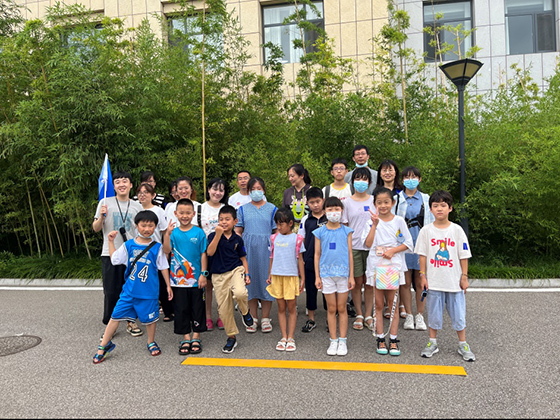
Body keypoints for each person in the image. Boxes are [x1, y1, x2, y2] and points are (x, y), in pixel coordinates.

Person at [93, 211, 173, 364]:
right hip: (129, 291)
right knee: (115, 317)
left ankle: (151, 342)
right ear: (136, 226)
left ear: (155, 227)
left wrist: (168, 286)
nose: (147, 229)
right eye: (143, 225)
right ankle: (103, 346)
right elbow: (114, 259)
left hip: (149, 292)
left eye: (151, 226)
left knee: (150, 320)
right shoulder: (128, 245)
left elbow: (163, 267)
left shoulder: (157, 247)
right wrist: (110, 241)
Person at [415, 190, 475, 362]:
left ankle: (463, 343)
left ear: (450, 208)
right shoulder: (426, 231)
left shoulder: (457, 230)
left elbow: (463, 255)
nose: (439, 209)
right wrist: (422, 276)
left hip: (454, 282)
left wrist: (464, 276)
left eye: (443, 205)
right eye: (435, 206)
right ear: (430, 209)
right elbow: (422, 255)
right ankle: (432, 342)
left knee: (459, 315)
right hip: (434, 282)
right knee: (433, 314)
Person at [93, 170, 144, 338]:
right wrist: (101, 217)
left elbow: (141, 230)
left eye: (125, 181)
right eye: (117, 182)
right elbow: (96, 228)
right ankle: (110, 325)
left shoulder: (137, 206)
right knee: (111, 291)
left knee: (131, 289)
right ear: (113, 186)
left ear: (131, 185)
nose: (121, 184)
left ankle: (130, 321)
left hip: (131, 254)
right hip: (110, 252)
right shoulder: (105, 202)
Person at [363, 187, 413, 356]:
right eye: (379, 202)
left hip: (393, 266)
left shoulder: (399, 221)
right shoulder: (370, 222)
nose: (383, 206)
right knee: (378, 303)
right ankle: (380, 338)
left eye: (386, 202)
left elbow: (409, 243)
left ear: (393, 202)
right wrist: (374, 225)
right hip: (376, 266)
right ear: (374, 204)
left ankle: (393, 339)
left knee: (392, 304)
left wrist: (393, 251)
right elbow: (367, 244)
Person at [163, 198, 208, 356]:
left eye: (188, 213)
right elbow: (166, 250)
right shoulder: (173, 233)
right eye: (181, 213)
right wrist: (167, 234)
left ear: (193, 214)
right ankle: (186, 337)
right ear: (176, 213)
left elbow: (203, 254)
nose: (184, 216)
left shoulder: (199, 232)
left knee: (197, 308)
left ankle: (196, 336)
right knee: (181, 309)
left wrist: (203, 274)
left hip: (196, 280)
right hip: (178, 280)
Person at [207, 205, 255, 353]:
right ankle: (231, 337)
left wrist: (247, 274)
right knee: (224, 310)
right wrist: (217, 235)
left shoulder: (237, 239)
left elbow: (243, 257)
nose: (224, 222)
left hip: (235, 270)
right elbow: (210, 252)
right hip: (218, 275)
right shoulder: (212, 236)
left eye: (227, 219)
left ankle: (245, 312)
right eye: (221, 219)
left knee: (240, 293)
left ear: (235, 221)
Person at [235, 177, 278, 333]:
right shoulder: (242, 209)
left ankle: (265, 318)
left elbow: (276, 230)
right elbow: (238, 230)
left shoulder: (272, 208)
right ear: (248, 192)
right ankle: (252, 318)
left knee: (266, 281)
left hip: (267, 249)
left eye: (259, 188)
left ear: (264, 190)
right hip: (248, 250)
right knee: (250, 282)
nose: (256, 192)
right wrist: (238, 246)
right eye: (253, 189)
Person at [313, 196, 354, 356]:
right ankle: (333, 340)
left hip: (343, 274)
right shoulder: (319, 232)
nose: (334, 212)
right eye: (330, 209)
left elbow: (350, 253)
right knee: (331, 308)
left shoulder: (347, 231)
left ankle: (343, 340)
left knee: (342, 308)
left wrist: (351, 276)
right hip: (326, 274)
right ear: (324, 211)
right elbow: (317, 255)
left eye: (337, 209)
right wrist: (317, 276)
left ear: (342, 211)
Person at [395, 166, 434, 331]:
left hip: (421, 245)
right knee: (405, 282)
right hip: (402, 246)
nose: (410, 180)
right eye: (407, 177)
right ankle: (409, 315)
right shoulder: (396, 199)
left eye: (414, 177)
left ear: (420, 179)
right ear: (402, 180)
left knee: (421, 282)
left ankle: (420, 314)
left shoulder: (426, 199)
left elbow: (432, 222)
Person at [266, 208, 305, 351]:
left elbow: (300, 260)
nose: (279, 227)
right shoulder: (273, 238)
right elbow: (271, 257)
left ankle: (291, 337)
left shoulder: (297, 239)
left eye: (281, 224)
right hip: (277, 276)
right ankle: (283, 337)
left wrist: (302, 278)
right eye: (277, 224)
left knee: (292, 307)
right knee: (281, 307)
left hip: (291, 276)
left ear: (290, 223)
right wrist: (269, 274)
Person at [341, 167, 375, 331]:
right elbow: (345, 226)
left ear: (369, 182)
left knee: (369, 283)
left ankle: (368, 315)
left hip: (371, 247)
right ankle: (359, 314)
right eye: (358, 179)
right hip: (353, 246)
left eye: (364, 179)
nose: (361, 182)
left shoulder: (374, 200)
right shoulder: (346, 202)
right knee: (356, 282)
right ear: (352, 182)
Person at [136, 183, 173, 322]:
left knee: (161, 282)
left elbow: (164, 232)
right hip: (139, 250)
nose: (142, 195)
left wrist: (165, 251)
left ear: (153, 195)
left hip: (156, 250)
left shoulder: (159, 211)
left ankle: (168, 310)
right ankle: (142, 311)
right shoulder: (135, 209)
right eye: (140, 192)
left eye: (146, 192)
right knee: (142, 281)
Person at [375, 159, 403, 319]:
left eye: (390, 169)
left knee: (400, 274)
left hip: (398, 235)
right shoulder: (376, 191)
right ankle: (385, 306)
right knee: (381, 274)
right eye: (384, 170)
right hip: (380, 237)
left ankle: (397, 305)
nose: (387, 173)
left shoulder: (402, 191)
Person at [199, 178, 228, 331]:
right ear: (208, 190)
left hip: (223, 252)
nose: (217, 193)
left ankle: (222, 315)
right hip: (205, 252)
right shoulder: (200, 208)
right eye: (215, 189)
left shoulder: (226, 208)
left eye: (221, 190)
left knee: (222, 286)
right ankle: (208, 316)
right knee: (208, 286)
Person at [298, 187, 327, 333]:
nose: (315, 205)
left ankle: (330, 319)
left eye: (318, 201)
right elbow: (301, 240)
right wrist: (301, 259)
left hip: (327, 260)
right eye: (312, 202)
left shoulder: (329, 217)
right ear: (307, 203)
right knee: (310, 290)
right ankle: (311, 319)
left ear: (323, 200)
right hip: (309, 259)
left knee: (328, 290)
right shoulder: (305, 220)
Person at [282, 163, 312, 231]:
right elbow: (284, 213)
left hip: (308, 229)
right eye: (289, 176)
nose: (290, 179)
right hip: (291, 231)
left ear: (301, 175)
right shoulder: (287, 192)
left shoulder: (311, 190)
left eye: (292, 176)